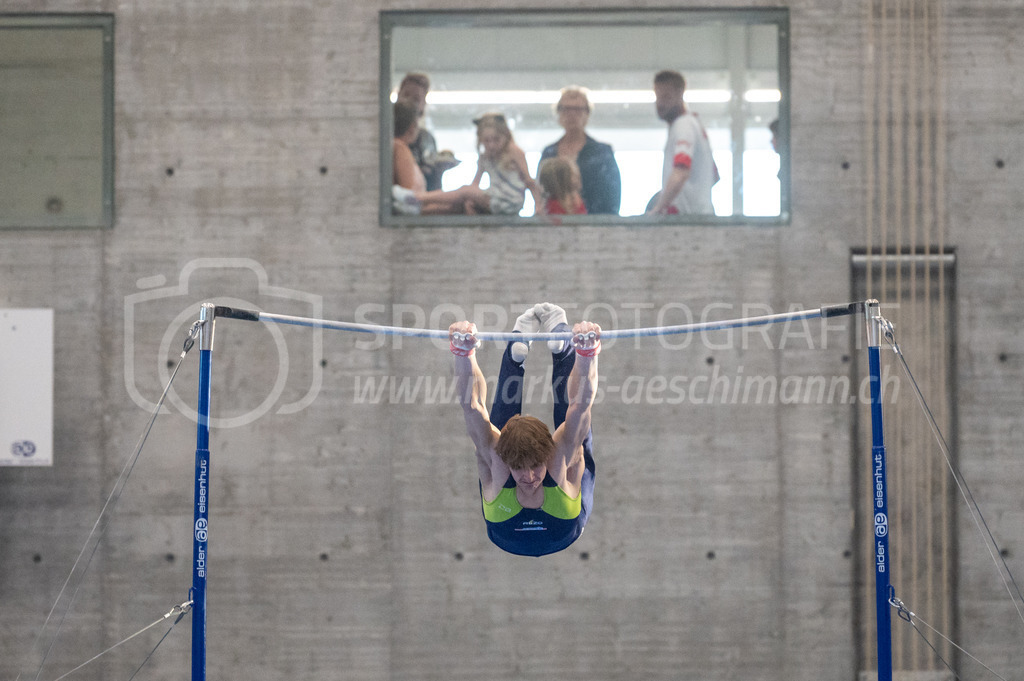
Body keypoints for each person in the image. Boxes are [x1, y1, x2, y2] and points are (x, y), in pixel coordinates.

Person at [448, 303, 601, 557]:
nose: (529, 477)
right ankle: (563, 352)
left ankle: (520, 354)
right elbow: (471, 406)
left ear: (547, 453)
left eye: (535, 466)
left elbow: (582, 405)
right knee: (499, 447)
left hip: (510, 534)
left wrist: (462, 353)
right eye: (518, 468)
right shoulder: (509, 460)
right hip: (561, 531)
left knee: (575, 435)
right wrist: (588, 355)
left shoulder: (556, 456)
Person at [393, 112, 541, 216]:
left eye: (496, 139)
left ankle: (417, 198)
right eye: (487, 141)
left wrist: (538, 207)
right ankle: (418, 211)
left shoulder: (513, 151)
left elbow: (529, 180)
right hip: (494, 199)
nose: (491, 145)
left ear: (506, 136)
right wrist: (470, 199)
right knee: (459, 201)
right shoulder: (485, 158)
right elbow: (475, 184)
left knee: (464, 191)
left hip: (510, 201)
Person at [646, 70, 719, 216]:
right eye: (657, 97)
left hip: (690, 221)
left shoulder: (683, 126)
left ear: (680, 94)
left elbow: (681, 171)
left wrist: (658, 209)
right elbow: (714, 175)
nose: (660, 103)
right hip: (699, 216)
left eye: (666, 97)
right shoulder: (694, 124)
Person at [538, 87, 621, 215]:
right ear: (558, 112)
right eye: (566, 109)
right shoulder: (549, 153)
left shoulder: (602, 153)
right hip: (554, 224)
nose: (571, 114)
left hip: (595, 225)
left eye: (577, 109)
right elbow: (541, 192)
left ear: (587, 113)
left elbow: (612, 196)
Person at [396, 72, 458, 191]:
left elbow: (434, 188)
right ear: (398, 96)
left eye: (416, 99)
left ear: (423, 104)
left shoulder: (427, 139)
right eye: (406, 95)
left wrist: (439, 171)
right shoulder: (388, 138)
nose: (409, 102)